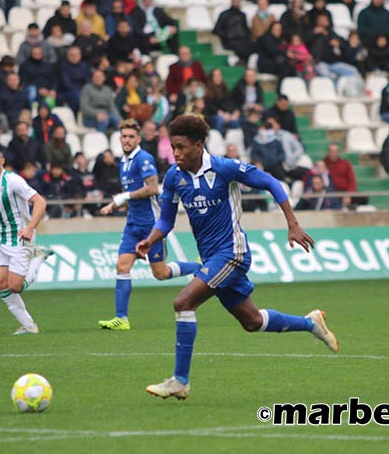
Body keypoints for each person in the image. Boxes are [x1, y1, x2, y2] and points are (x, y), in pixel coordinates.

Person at [140, 115, 338, 400]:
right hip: (212, 258)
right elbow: (166, 222)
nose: (177, 153)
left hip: (233, 252)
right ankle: (311, 323)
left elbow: (270, 182)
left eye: (182, 147)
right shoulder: (174, 177)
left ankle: (180, 381)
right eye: (173, 147)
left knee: (183, 302)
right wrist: (151, 239)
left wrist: (292, 223)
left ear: (199, 145)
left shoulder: (224, 168)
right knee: (252, 322)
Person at [97, 119, 200, 330]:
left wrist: (123, 197)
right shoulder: (123, 162)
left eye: (130, 137)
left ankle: (201, 266)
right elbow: (134, 195)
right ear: (119, 138)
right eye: (124, 136)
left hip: (151, 226)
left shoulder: (143, 159)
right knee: (122, 267)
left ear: (138, 139)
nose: (126, 140)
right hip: (133, 225)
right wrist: (115, 205)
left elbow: (152, 188)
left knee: (160, 273)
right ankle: (121, 319)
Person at [0, 144, 54, 334]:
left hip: (21, 237)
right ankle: (28, 325)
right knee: (1, 284)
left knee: (15, 287)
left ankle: (37, 258)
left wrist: (29, 228)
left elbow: (40, 202)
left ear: (2, 161)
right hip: (2, 239)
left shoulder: (13, 181)